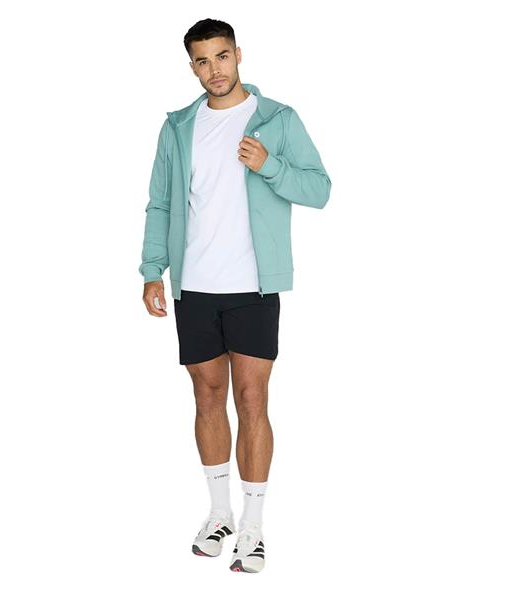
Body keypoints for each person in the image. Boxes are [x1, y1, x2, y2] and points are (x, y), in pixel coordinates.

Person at [138, 18, 332, 573]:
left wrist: (269, 165)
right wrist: (153, 270)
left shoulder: (277, 119)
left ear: (238, 55)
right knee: (205, 398)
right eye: (202, 61)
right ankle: (219, 513)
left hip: (253, 286)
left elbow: (319, 189)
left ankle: (253, 526)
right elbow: (161, 203)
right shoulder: (178, 126)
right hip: (194, 286)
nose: (214, 70)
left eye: (221, 56)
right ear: (192, 67)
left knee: (251, 400)